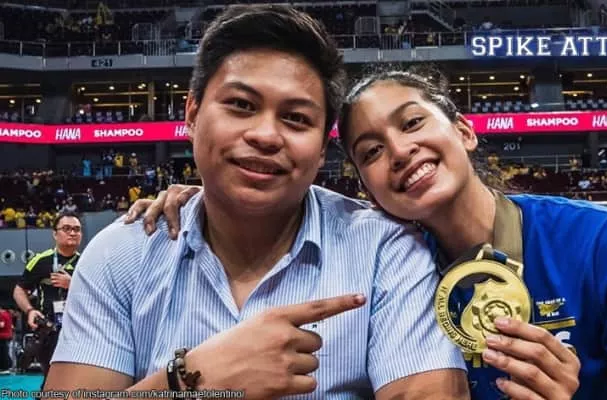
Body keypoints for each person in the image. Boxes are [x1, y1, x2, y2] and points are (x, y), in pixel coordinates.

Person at [131, 70, 607, 400]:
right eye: (371, 151)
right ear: (367, 188)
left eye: (413, 122)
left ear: (465, 131)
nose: (400, 152)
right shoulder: (382, 263)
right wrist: (209, 198)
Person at [43, 6, 470, 400]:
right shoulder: (120, 255)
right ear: (191, 114)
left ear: (323, 148)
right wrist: (189, 380)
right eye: (241, 105)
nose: (266, 135)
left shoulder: (387, 249)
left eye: (296, 118)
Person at [12, 210, 81, 380]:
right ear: (55, 234)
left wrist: (73, 284)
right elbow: (19, 290)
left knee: (77, 380)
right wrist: (30, 311)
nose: (72, 233)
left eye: (77, 229)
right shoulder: (40, 261)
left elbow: (98, 294)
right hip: (50, 331)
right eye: (66, 228)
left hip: (80, 330)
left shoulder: (87, 261)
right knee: (53, 379)